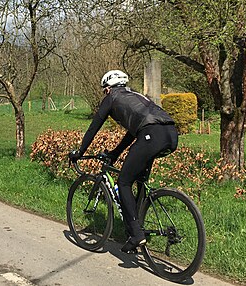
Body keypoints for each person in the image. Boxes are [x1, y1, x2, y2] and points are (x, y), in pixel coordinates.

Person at [69, 70, 178, 253]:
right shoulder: (135, 96)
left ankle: (137, 235)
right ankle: (136, 230)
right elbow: (133, 133)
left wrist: (79, 152)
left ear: (109, 88)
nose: (105, 94)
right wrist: (115, 153)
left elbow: (93, 127)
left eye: (105, 91)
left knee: (124, 182)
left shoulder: (112, 98)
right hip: (170, 134)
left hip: (152, 134)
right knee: (138, 180)